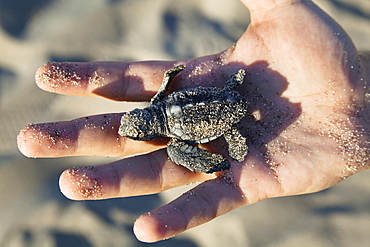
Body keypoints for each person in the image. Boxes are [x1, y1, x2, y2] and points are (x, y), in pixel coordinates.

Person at [17, 0, 370, 243]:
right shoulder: (164, 102)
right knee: (227, 114)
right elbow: (174, 86)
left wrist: (214, 163)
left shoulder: (176, 140)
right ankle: (235, 99)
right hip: (226, 101)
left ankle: (235, 124)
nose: (130, 119)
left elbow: (190, 155)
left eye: (132, 119)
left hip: (226, 118)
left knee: (224, 140)